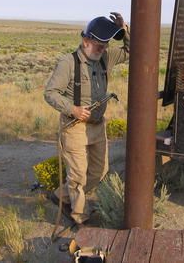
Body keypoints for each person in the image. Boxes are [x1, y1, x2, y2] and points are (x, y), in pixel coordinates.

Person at [44, 12, 129, 226]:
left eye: (106, 45)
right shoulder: (68, 63)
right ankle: (80, 218)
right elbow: (50, 93)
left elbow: (131, 51)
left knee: (99, 171)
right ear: (85, 41)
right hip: (75, 127)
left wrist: (125, 30)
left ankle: (60, 196)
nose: (103, 50)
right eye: (99, 46)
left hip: (97, 127)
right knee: (78, 176)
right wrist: (72, 109)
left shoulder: (104, 58)